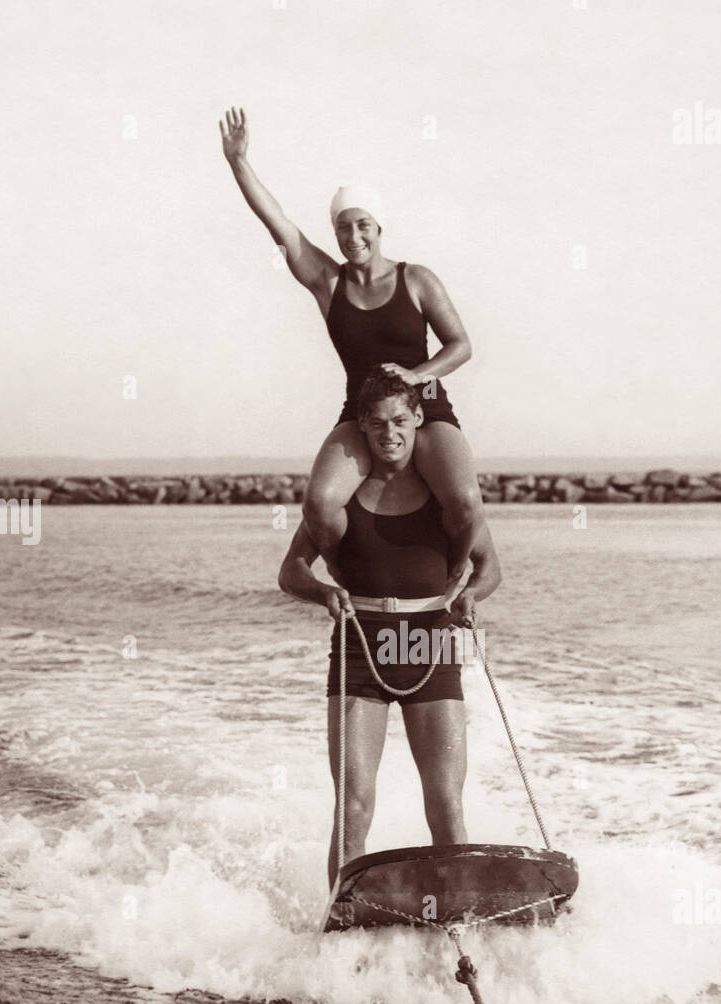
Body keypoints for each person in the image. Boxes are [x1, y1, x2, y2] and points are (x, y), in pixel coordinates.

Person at [220, 106, 483, 599]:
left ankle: (453, 572)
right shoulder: (328, 283)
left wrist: (413, 375)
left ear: (380, 227)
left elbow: (461, 345)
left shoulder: (417, 279)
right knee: (319, 502)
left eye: (363, 225)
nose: (354, 237)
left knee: (465, 500)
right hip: (361, 413)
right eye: (343, 228)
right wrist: (239, 163)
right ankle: (344, 572)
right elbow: (278, 223)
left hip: (425, 407)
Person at [278, 368, 502, 885]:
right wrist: (323, 591)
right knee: (352, 805)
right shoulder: (340, 500)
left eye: (400, 420)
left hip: (431, 642)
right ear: (361, 427)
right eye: (377, 424)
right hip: (360, 645)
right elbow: (290, 572)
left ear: (419, 419)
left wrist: (470, 594)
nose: (390, 433)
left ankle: (455, 916)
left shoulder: (447, 496)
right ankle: (339, 920)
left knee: (446, 803)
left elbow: (490, 567)